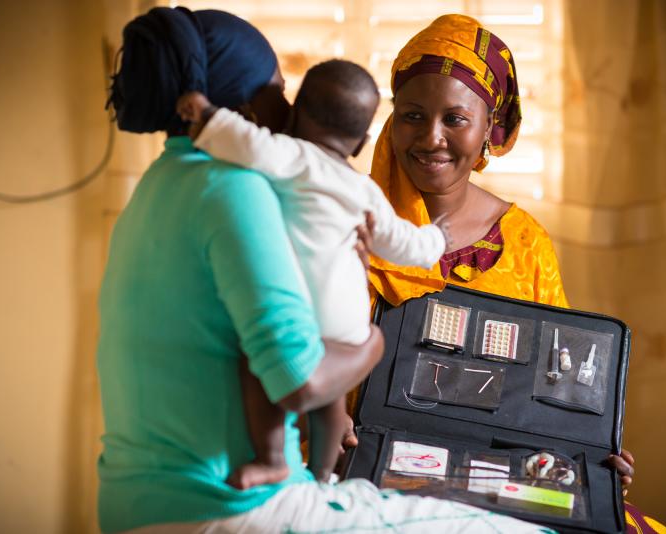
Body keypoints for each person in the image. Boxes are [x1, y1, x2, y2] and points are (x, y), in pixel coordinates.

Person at [99, 6, 548, 533]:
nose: (288, 111)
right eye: (279, 92)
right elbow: (297, 379)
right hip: (229, 508)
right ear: (244, 107)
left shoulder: (156, 187)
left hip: (133, 502)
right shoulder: (238, 193)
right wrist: (377, 345)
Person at [358, 14, 666, 534]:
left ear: (490, 130)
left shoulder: (524, 240)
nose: (430, 138)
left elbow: (558, 388)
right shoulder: (346, 222)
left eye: (454, 119)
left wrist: (590, 456)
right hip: (371, 465)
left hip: (499, 472)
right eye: (413, 115)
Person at [175, 58, 449, 487]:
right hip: (350, 324)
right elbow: (402, 243)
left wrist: (205, 115)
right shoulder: (365, 191)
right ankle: (323, 476)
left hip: (300, 315)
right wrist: (435, 239)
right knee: (330, 401)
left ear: (296, 113)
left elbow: (245, 142)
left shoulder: (293, 155)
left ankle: (271, 459)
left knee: (255, 364)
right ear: (360, 143)